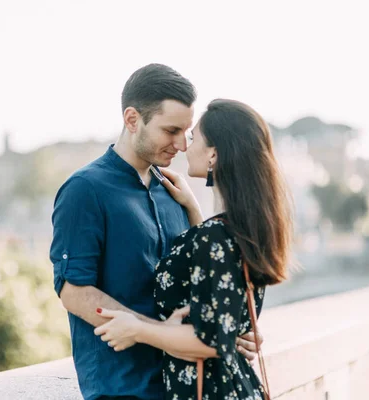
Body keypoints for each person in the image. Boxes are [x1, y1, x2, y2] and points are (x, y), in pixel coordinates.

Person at [50, 65, 261, 399]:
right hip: (124, 389)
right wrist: (158, 332)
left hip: (186, 387)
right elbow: (73, 292)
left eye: (186, 132)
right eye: (171, 130)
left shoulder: (175, 193)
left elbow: (201, 278)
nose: (180, 144)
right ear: (133, 119)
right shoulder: (84, 190)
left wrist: (227, 329)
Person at [94, 99, 293, 399]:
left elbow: (211, 340)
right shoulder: (239, 230)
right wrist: (192, 207)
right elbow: (211, 276)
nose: (185, 146)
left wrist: (136, 329)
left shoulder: (217, 236)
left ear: (213, 153)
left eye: (193, 137)